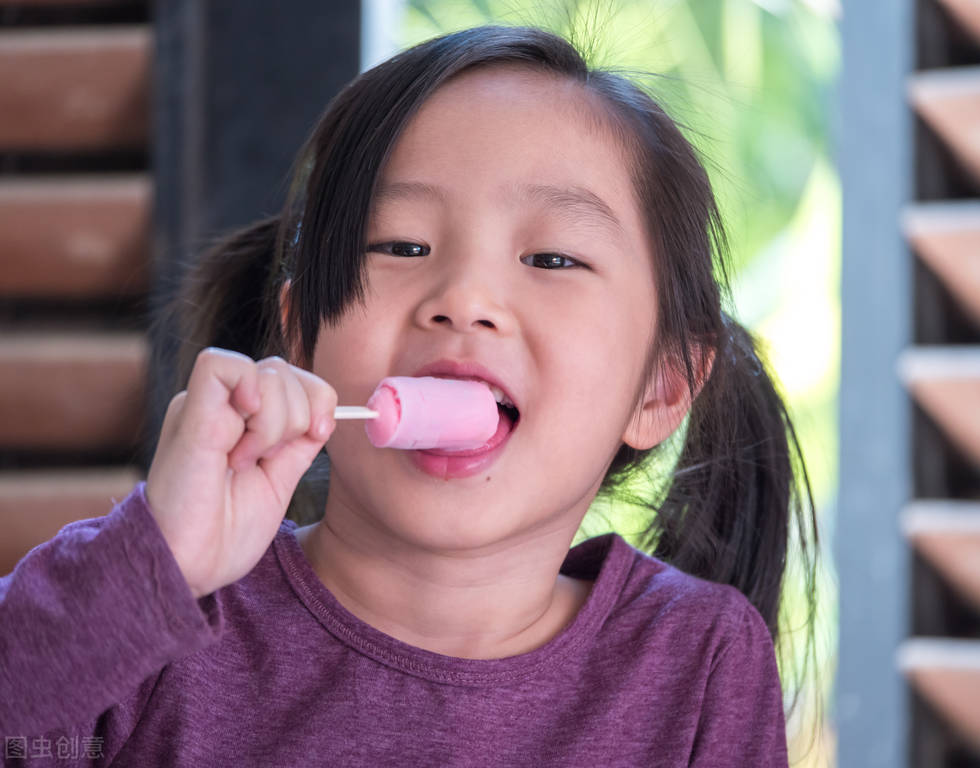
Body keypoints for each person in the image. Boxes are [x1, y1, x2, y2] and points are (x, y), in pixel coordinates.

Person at [0, 24, 819, 767]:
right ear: (301, 337)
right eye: (401, 244)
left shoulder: (697, 664)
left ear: (662, 383)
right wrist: (154, 566)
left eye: (553, 259)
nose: (463, 297)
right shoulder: (158, 624)